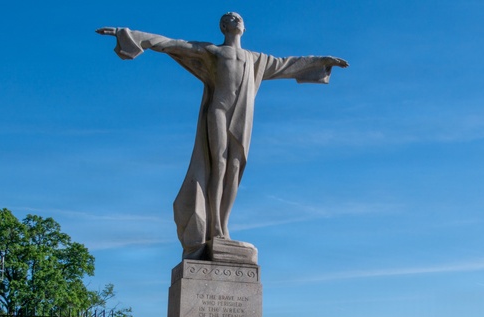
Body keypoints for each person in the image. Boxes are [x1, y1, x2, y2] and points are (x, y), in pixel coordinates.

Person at [97, 13, 348, 260]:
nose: (235, 19)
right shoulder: (211, 51)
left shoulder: (256, 59)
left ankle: (224, 224)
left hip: (241, 116)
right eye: (229, 18)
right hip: (218, 110)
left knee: (234, 168)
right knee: (218, 164)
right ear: (223, 26)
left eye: (239, 18)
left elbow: (288, 64)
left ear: (244, 28)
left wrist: (321, 61)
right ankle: (215, 227)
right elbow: (169, 43)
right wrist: (126, 34)